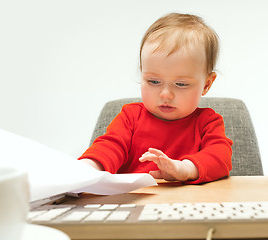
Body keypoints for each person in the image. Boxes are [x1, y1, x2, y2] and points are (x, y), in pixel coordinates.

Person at [79, 13, 233, 184]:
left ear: (206, 84)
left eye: (181, 84)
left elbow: (221, 157)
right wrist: (87, 168)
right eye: (153, 81)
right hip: (136, 202)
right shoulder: (130, 117)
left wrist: (184, 168)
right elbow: (108, 147)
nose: (165, 94)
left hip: (188, 204)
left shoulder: (208, 122)